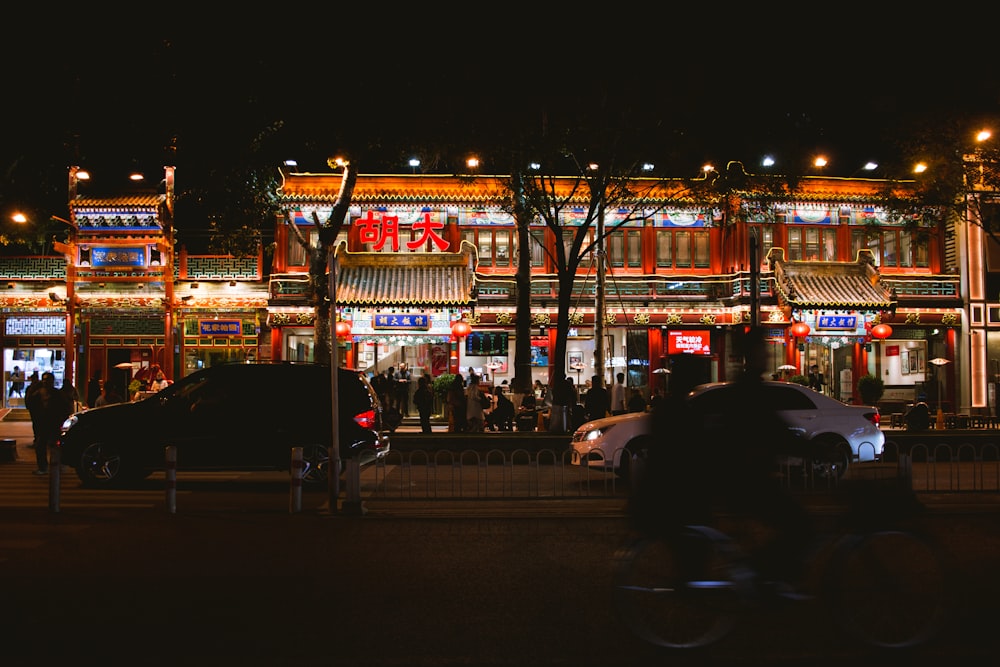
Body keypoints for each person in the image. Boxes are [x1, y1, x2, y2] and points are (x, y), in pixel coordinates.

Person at [632, 330, 813, 590]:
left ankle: (762, 575)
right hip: (745, 480)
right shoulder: (745, 391)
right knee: (799, 526)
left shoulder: (687, 405)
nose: (767, 355)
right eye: (763, 350)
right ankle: (764, 575)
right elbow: (774, 431)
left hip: (727, 480)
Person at [24, 371, 73, 475]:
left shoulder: (58, 394)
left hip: (54, 423)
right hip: (42, 424)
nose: (46, 382)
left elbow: (65, 408)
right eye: (44, 380)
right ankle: (42, 467)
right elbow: (30, 403)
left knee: (56, 446)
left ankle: (57, 465)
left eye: (48, 380)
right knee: (40, 445)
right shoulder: (38, 393)